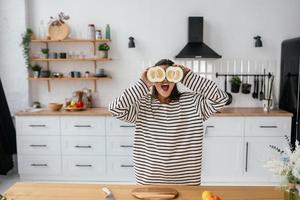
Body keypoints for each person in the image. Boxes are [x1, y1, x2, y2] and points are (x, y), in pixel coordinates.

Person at [109, 59, 229, 185]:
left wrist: (188, 77)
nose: (165, 80)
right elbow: (115, 109)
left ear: (177, 78)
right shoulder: (142, 104)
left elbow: (221, 99)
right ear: (152, 79)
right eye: (160, 75)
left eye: (169, 74)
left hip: (187, 182)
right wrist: (143, 84)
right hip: (148, 182)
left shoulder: (194, 103)